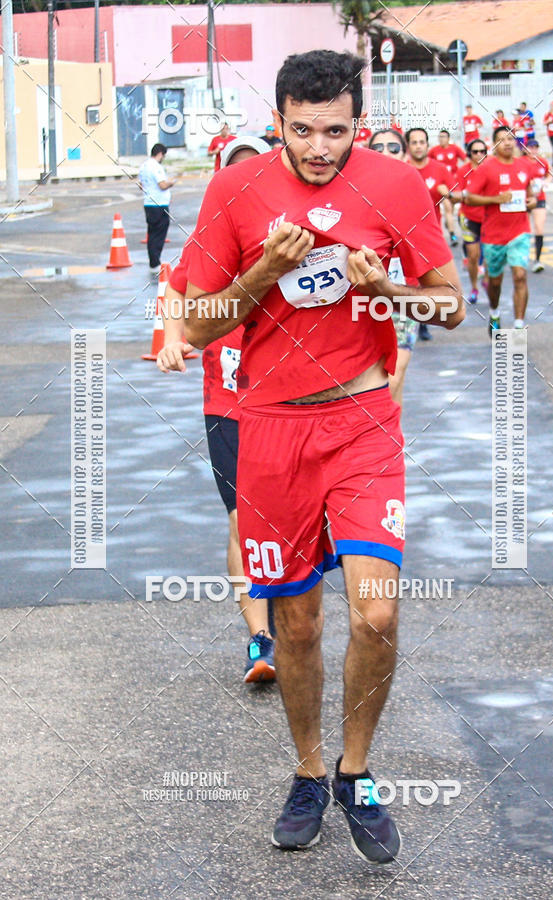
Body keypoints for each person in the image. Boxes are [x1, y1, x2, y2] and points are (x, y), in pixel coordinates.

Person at [182, 49, 464, 863]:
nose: (318, 147)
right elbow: (196, 324)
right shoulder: (234, 191)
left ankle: (356, 770)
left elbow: (446, 303)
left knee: (377, 611)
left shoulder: (397, 186)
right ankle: (309, 772)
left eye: (335, 131)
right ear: (277, 123)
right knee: (297, 626)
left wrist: (388, 290)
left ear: (356, 125)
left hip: (364, 423)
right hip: (270, 428)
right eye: (302, 130)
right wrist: (263, 270)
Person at [156, 137, 276, 683]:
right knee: (242, 520)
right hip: (227, 407)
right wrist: (172, 339)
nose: (248, 179)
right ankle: (260, 639)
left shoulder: (292, 237)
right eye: (236, 170)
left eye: (257, 168)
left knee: (290, 527)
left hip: (289, 407)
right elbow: (176, 292)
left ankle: (294, 623)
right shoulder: (207, 241)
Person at [467, 125, 536, 333]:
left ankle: (518, 325)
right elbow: (470, 197)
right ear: (494, 144)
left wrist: (531, 201)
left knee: (520, 275)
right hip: (494, 236)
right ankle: (495, 311)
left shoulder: (524, 166)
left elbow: (529, 193)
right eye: (501, 139)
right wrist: (496, 199)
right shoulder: (487, 168)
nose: (507, 142)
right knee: (494, 282)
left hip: (520, 232)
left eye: (510, 138)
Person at [368, 129, 417, 406]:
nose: (385, 153)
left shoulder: (414, 193)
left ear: (404, 154)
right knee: (369, 383)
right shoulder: (350, 192)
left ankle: (389, 446)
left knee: (394, 376)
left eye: (393, 148)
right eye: (377, 148)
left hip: (401, 297)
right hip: (358, 299)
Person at [406, 127, 451, 340]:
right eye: (414, 142)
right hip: (405, 237)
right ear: (408, 146)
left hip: (431, 238)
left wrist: (449, 194)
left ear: (427, 144)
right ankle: (412, 322)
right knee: (410, 282)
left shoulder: (440, 169)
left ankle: (424, 321)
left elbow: (456, 195)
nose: (418, 146)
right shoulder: (401, 170)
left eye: (421, 142)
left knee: (430, 282)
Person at [448, 139, 488, 304]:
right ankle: (474, 287)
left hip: (488, 218)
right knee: (473, 256)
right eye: (475, 152)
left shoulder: (490, 170)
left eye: (482, 151)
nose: (479, 155)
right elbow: (457, 195)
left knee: (489, 255)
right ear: (469, 153)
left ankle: (485, 279)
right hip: (468, 217)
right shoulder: (463, 171)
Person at [137, 143, 176, 276]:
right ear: (160, 154)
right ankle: (155, 263)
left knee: (152, 233)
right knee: (159, 234)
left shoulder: (144, 166)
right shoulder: (155, 167)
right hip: (159, 204)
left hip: (148, 203)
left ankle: (153, 262)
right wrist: (172, 182)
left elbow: (140, 185)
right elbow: (162, 185)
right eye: (163, 155)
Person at [428, 129, 467, 246]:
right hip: (439, 185)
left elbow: (465, 160)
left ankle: (448, 224)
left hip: (452, 184)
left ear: (448, 138)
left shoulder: (454, 148)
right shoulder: (434, 151)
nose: (441, 139)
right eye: (440, 137)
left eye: (444, 137)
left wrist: (460, 174)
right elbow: (426, 162)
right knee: (447, 208)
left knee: (450, 208)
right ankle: (452, 235)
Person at [524, 139, 551, 273]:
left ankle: (538, 260)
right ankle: (522, 258)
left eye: (536, 147)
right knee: (525, 230)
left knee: (539, 228)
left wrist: (545, 182)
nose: (533, 150)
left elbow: (549, 174)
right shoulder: (522, 163)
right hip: (525, 200)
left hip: (540, 198)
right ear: (525, 148)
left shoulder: (542, 162)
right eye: (531, 147)